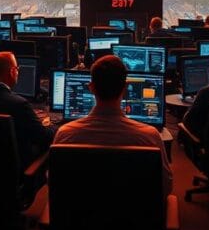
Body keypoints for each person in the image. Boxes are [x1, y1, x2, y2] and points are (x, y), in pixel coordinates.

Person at [54, 55, 173, 195]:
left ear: (91, 88)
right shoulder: (150, 137)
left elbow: (55, 185)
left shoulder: (65, 134)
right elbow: (166, 187)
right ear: (125, 87)